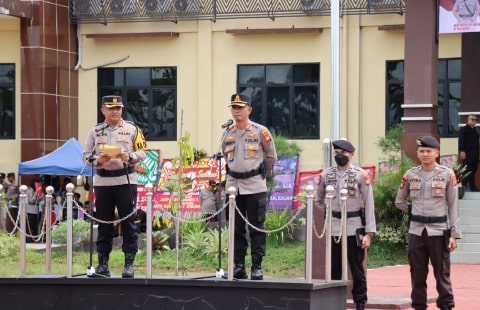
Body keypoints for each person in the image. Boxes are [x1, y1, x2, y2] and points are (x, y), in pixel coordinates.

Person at [83, 95, 147, 278]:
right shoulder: (95, 131)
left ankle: (129, 264)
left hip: (125, 181)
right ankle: (103, 264)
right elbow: (85, 156)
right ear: (103, 110)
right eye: (111, 108)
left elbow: (143, 152)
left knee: (129, 223)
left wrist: (131, 157)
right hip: (103, 182)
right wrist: (97, 160)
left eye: (118, 108)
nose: (115, 111)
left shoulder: (132, 129)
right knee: (104, 223)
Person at [395, 136, 461, 310]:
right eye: (422, 151)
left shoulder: (447, 174)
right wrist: (414, 211)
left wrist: (454, 234)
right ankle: (419, 306)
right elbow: (399, 201)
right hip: (417, 231)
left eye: (429, 151)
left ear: (436, 153)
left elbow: (454, 206)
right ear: (417, 153)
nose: (425, 154)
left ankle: (446, 306)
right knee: (417, 273)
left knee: (442, 273)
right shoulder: (410, 175)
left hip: (439, 231)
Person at [221, 93, 277, 280]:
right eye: (234, 107)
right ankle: (238, 266)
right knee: (236, 229)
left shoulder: (261, 131)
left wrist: (257, 173)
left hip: (254, 187)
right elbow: (224, 156)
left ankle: (256, 266)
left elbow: (271, 157)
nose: (236, 111)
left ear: (249, 110)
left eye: (240, 107)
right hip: (232, 189)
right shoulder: (227, 132)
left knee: (256, 228)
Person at [315, 139, 376, 310]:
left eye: (343, 153)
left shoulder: (360, 175)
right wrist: (329, 212)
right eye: (336, 153)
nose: (340, 156)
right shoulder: (327, 174)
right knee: (334, 268)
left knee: (356, 268)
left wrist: (369, 233)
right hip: (334, 227)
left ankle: (360, 302)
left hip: (354, 227)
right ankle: (335, 303)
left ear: (351, 154)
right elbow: (319, 199)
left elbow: (369, 203)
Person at [458, 114, 479, 191]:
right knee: (467, 170)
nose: (474, 121)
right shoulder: (464, 129)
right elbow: (461, 140)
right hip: (467, 153)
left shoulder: (475, 131)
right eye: (472, 119)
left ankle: (472, 187)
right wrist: (462, 150)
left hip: (475, 153)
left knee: (473, 169)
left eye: (475, 120)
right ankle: (464, 186)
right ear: (468, 120)